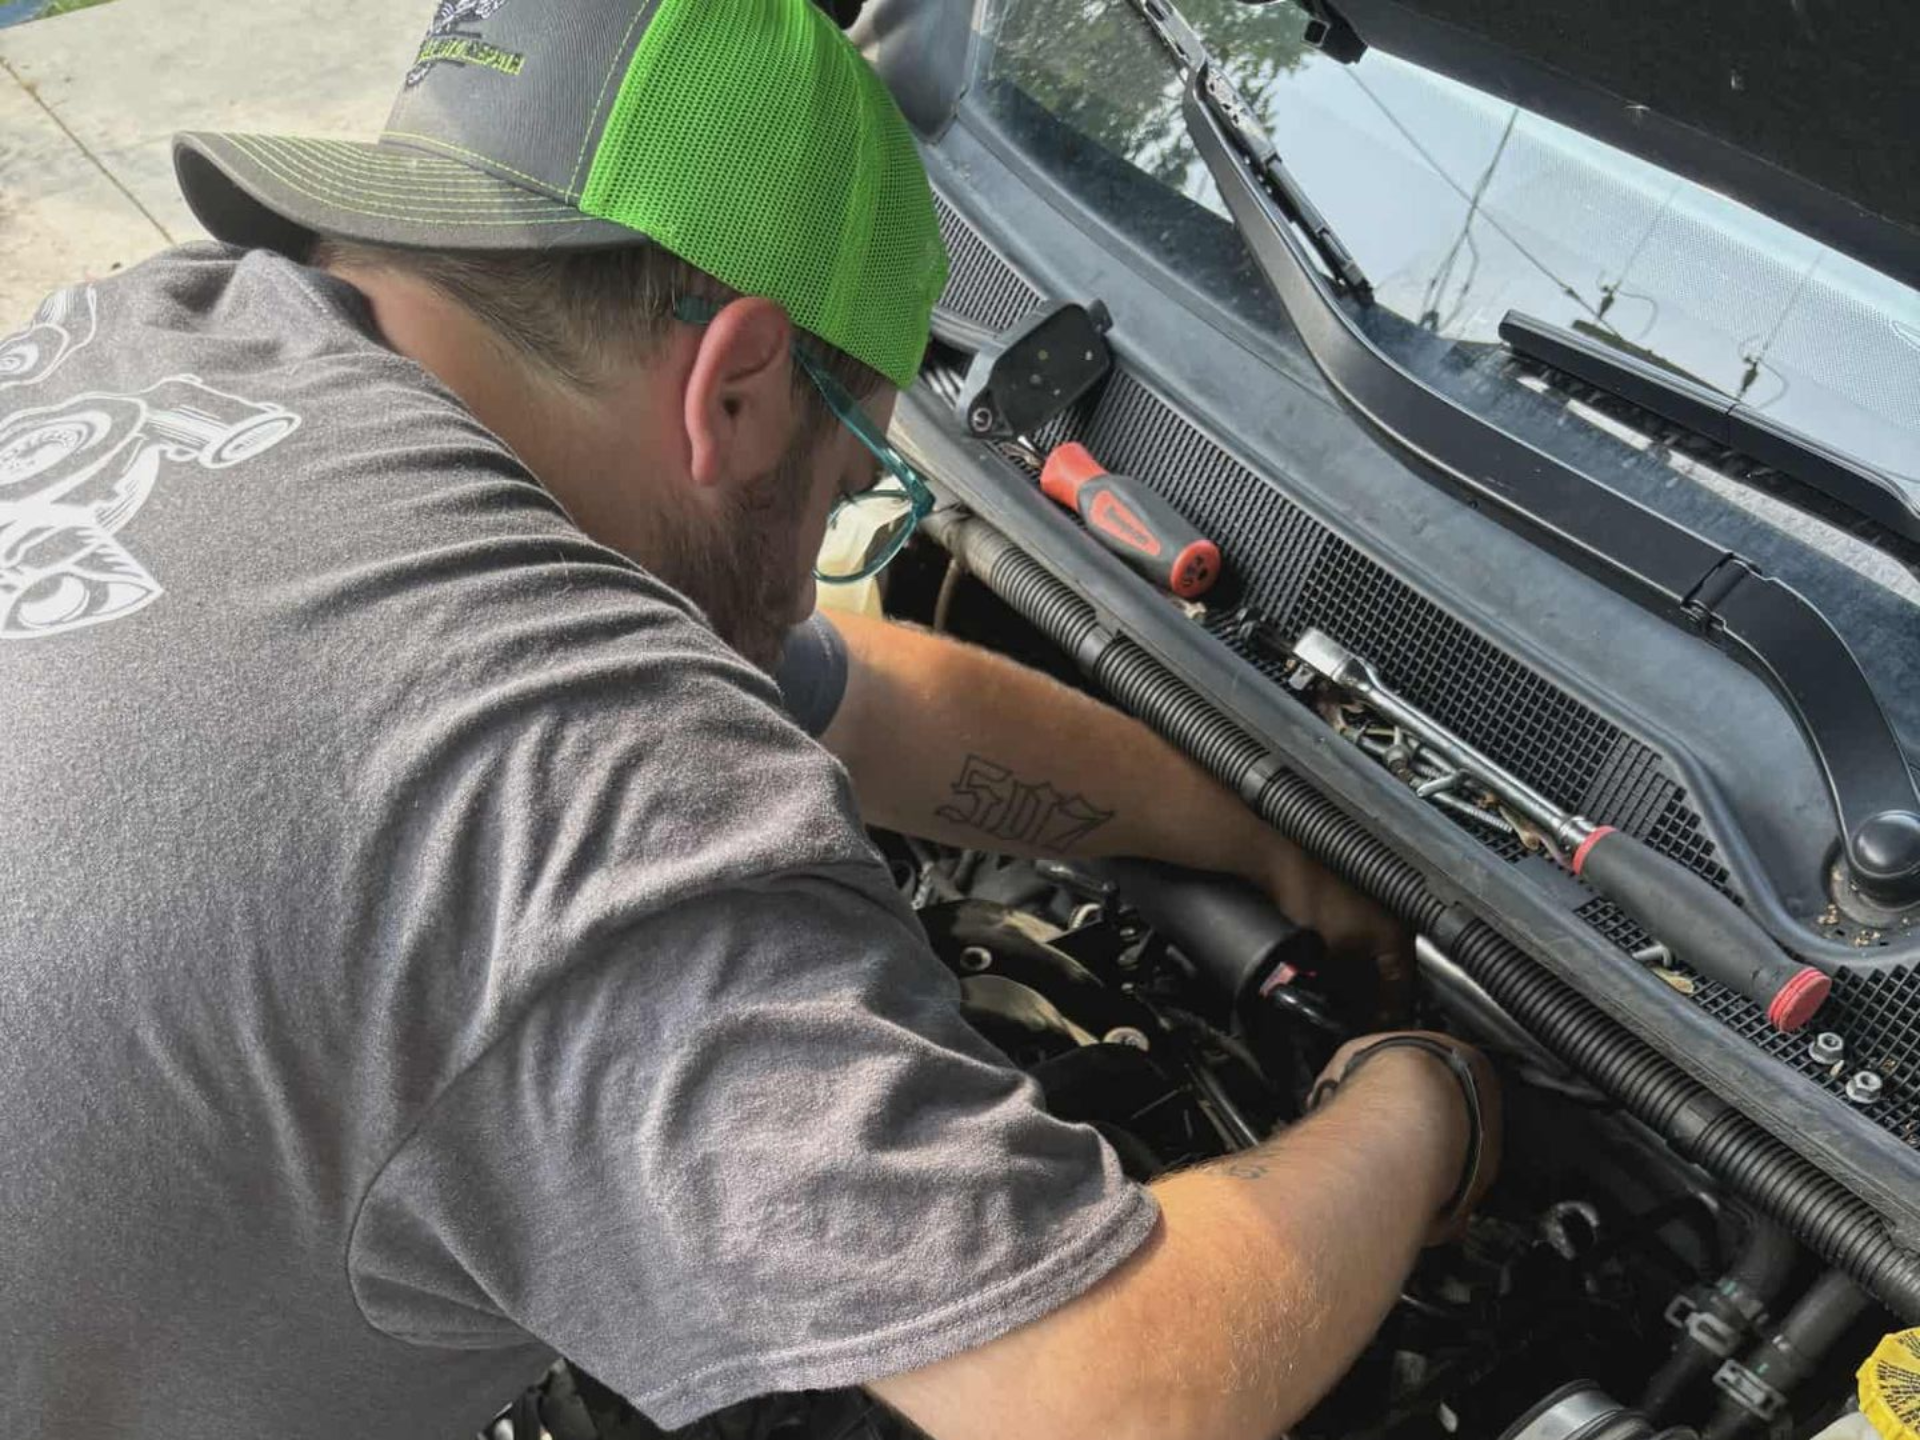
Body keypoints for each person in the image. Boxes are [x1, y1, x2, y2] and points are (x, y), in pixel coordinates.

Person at [0, 1, 1499, 1436]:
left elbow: (863, 697)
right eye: (857, 490)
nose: (805, 584)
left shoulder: (157, 335)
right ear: (737, 383)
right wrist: (1433, 1094)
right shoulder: (559, 766)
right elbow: (1119, 1390)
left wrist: (1251, 832)